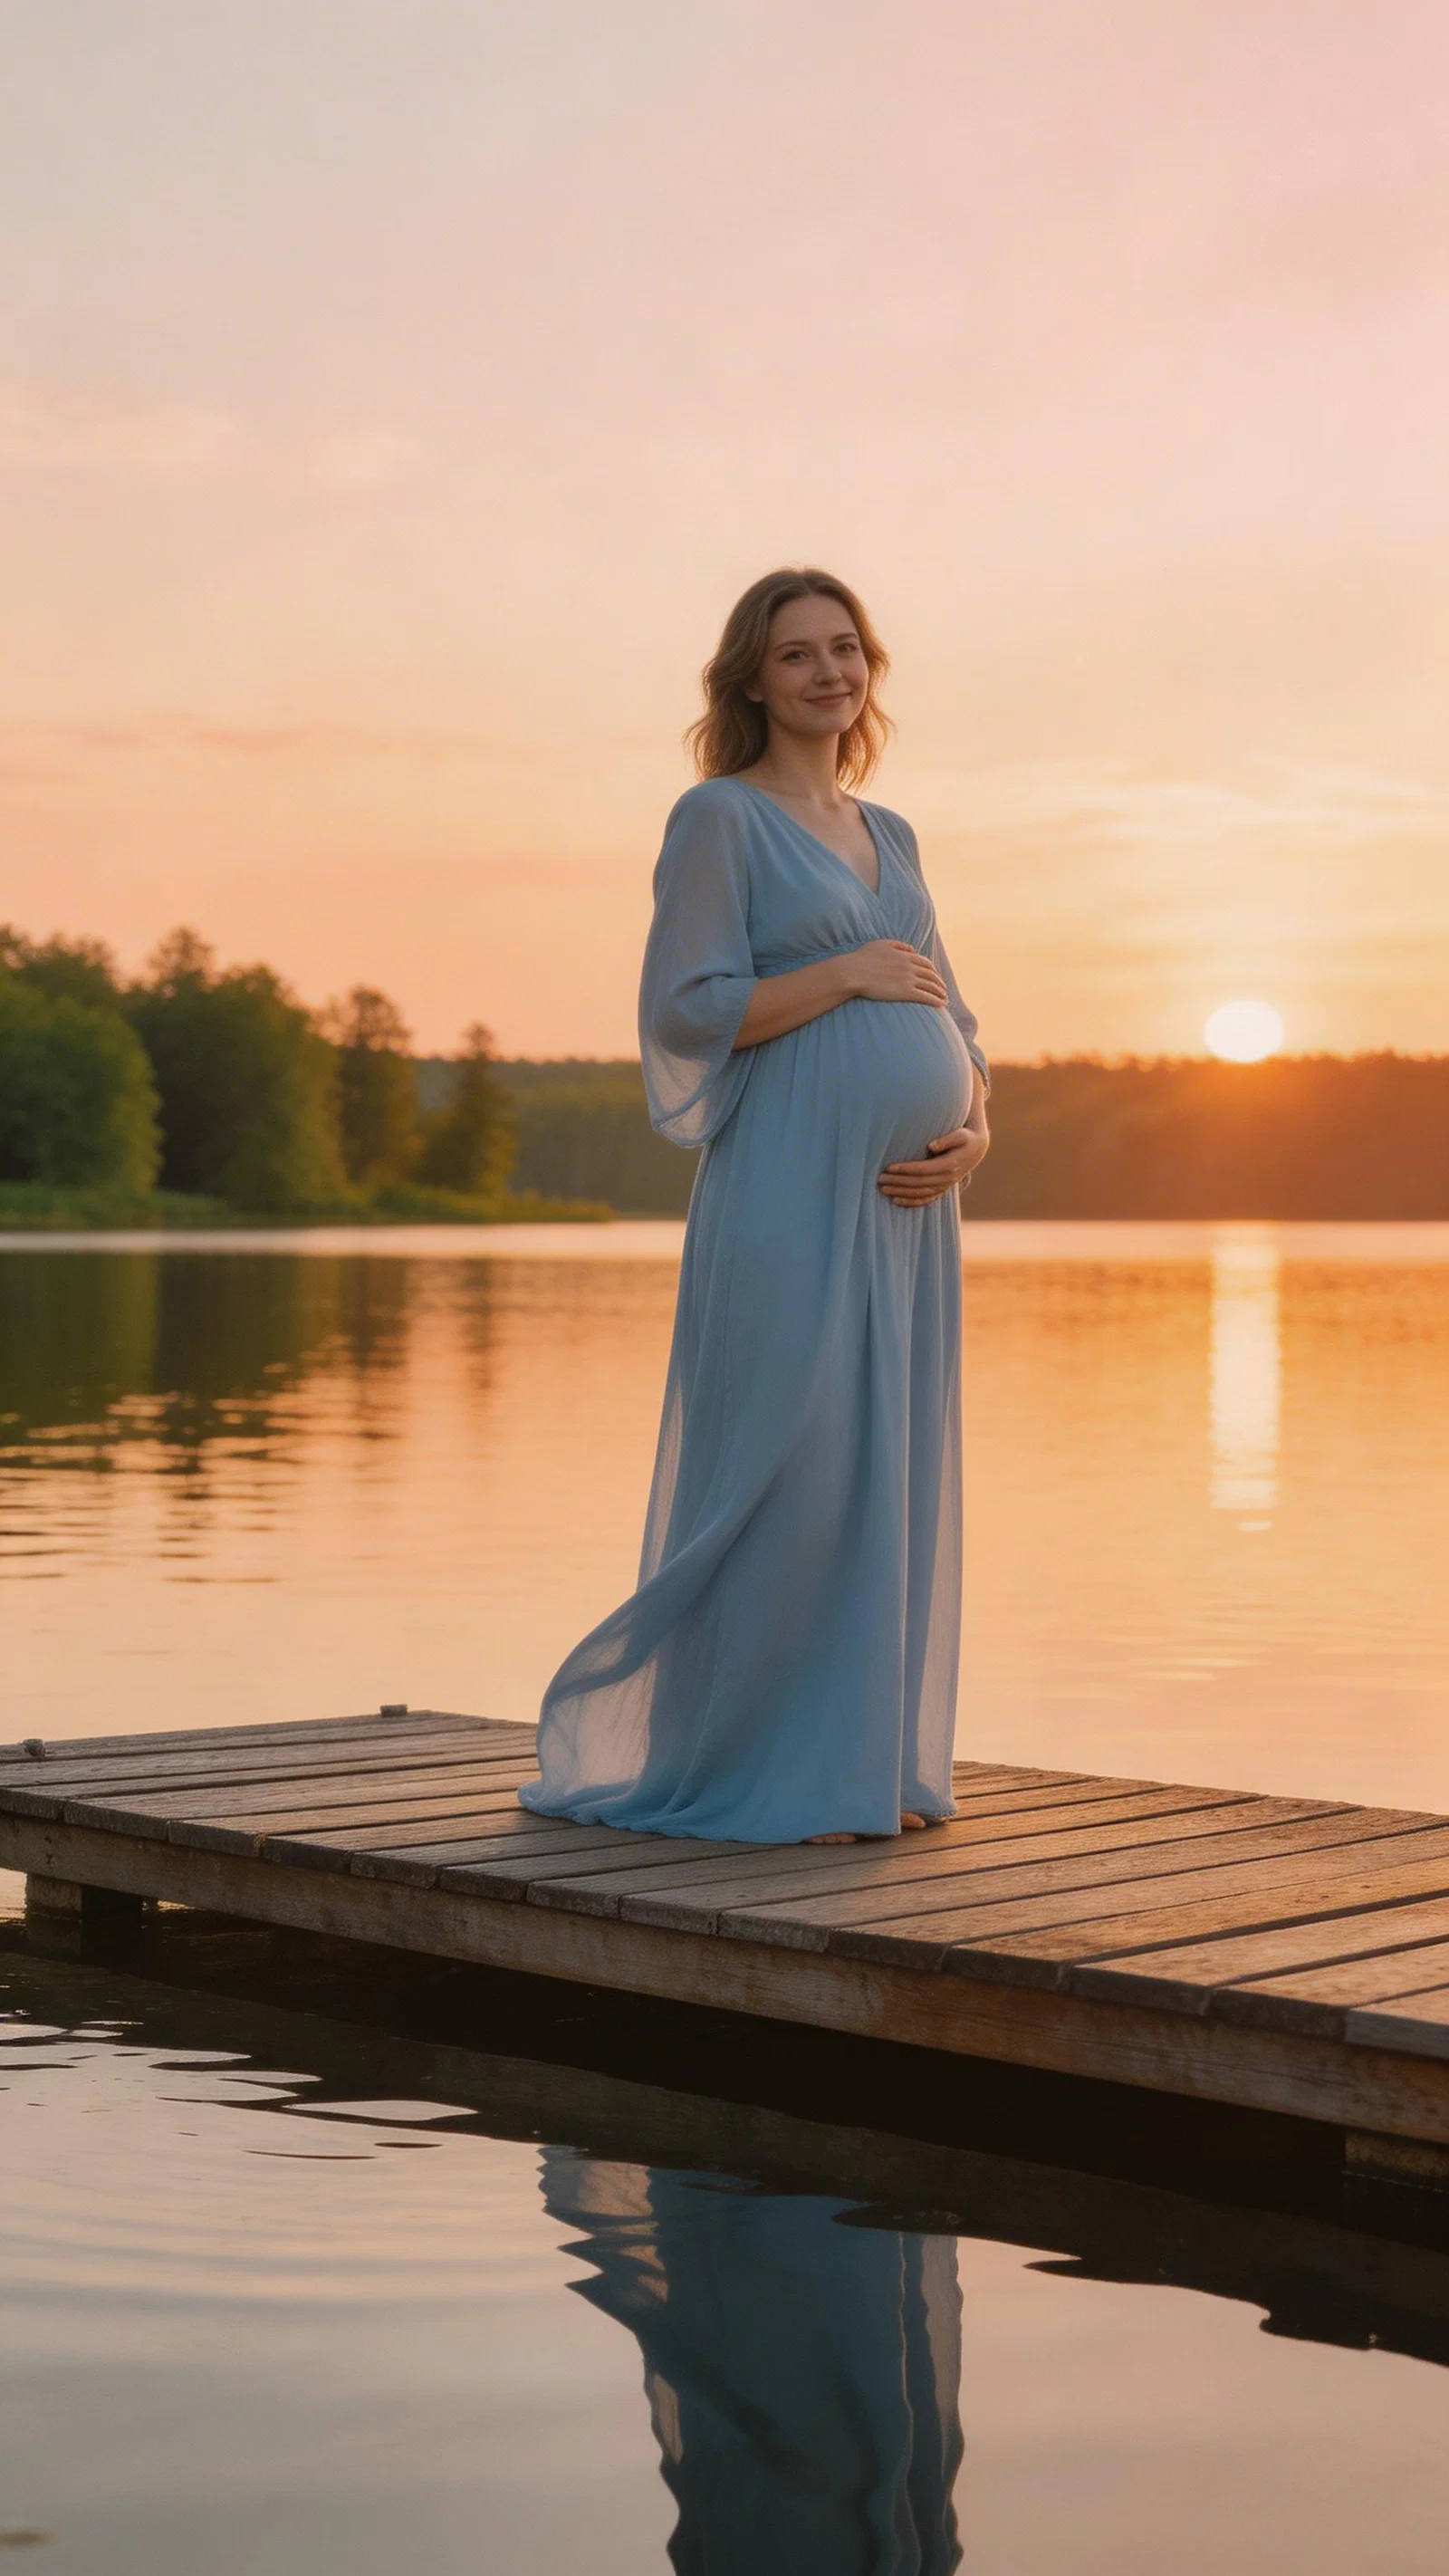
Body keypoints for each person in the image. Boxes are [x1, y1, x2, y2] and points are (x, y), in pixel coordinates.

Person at [519, 566, 990, 1845]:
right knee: (791, 1466)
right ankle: (756, 1768)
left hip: (905, 1214)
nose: (829, 672)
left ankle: (858, 1768)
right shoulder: (718, 819)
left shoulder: (892, 838)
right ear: (752, 681)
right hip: (787, 1186)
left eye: (846, 649)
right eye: (798, 655)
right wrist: (842, 974)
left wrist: (971, 1132)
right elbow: (687, 1007)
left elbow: (957, 1017)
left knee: (884, 1474)